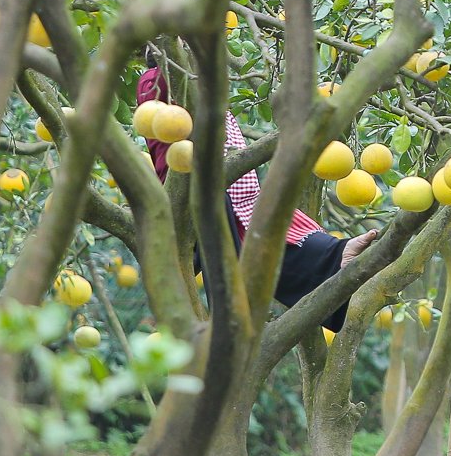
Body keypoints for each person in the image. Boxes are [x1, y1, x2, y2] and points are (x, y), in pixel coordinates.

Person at [135, 66, 376, 325]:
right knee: (235, 269)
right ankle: (227, 328)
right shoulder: (164, 77)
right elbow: (174, 140)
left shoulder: (197, 75)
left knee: (275, 238)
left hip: (235, 193)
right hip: (203, 191)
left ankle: (336, 255)